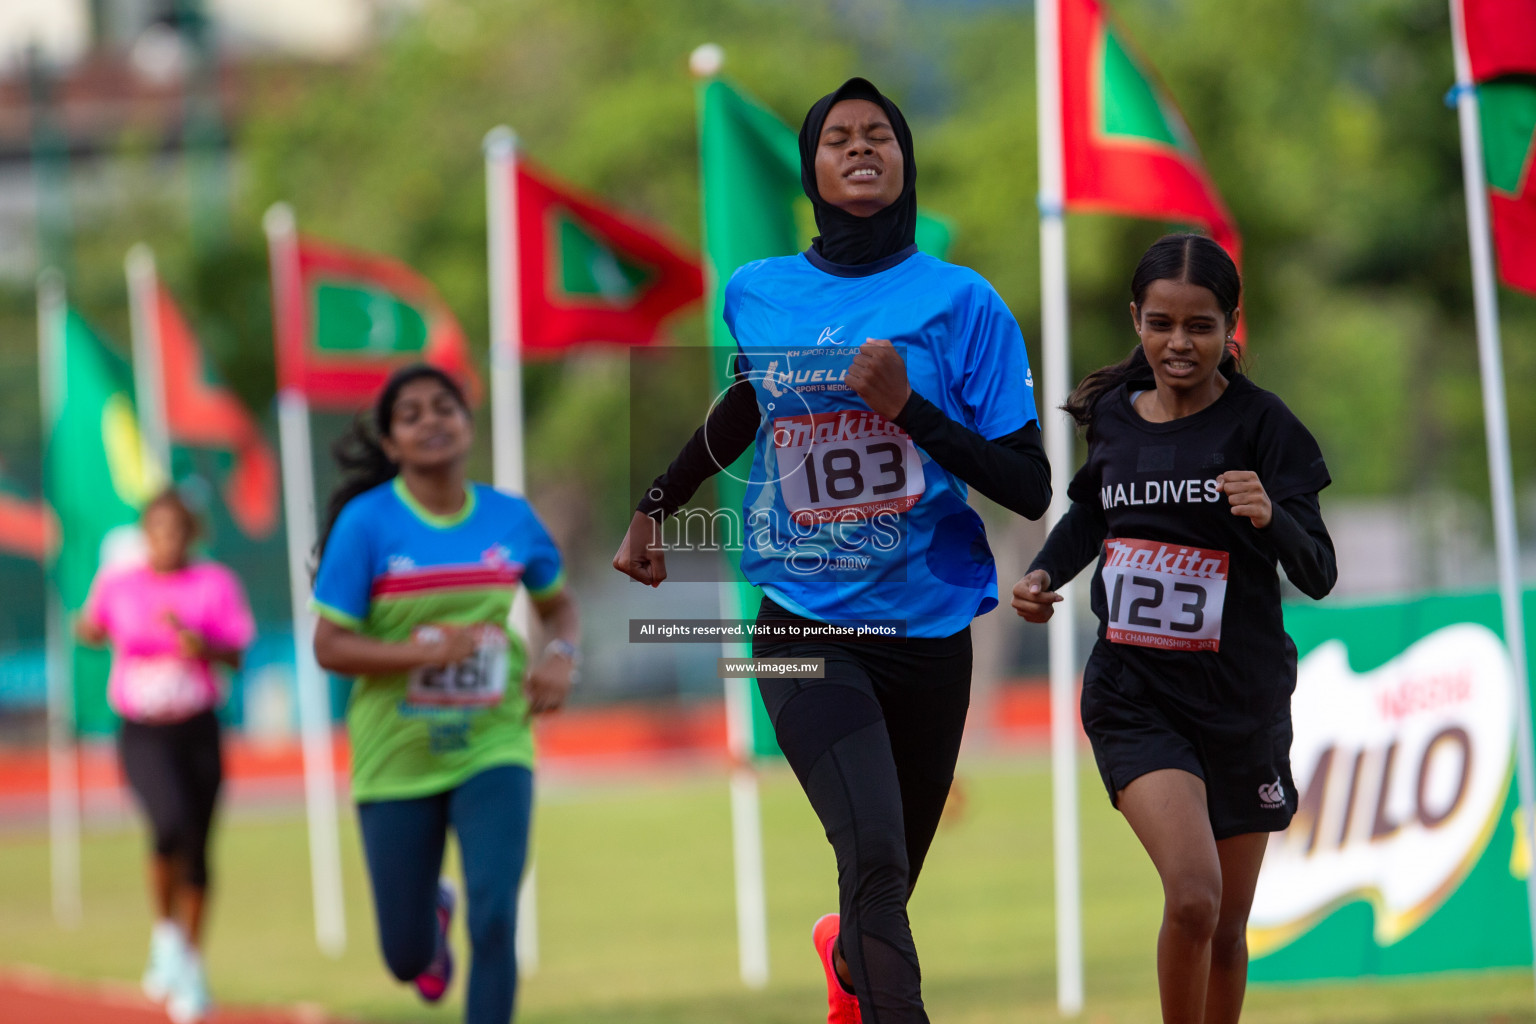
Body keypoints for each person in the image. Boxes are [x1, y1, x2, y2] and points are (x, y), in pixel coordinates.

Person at [613, 78, 1050, 1024]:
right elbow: (745, 405)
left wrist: (912, 411)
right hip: (802, 628)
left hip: (932, 631)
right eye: (838, 138)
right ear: (812, 165)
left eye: (879, 135)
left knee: (882, 892)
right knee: (877, 863)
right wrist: (657, 502)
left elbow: (1028, 485)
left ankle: (847, 965)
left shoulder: (962, 303)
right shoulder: (758, 292)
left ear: (905, 160)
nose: (860, 148)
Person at [1012, 234, 1336, 1024]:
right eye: (1160, 324)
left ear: (1233, 326)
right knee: (1193, 896)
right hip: (1135, 696)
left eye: (1199, 326)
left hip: (1241, 703)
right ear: (1136, 320)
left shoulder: (1265, 426)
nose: (1178, 343)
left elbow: (1319, 573)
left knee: (1226, 927)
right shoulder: (1117, 421)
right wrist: (1045, 573)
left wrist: (1270, 519)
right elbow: (1092, 512)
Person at [310, 364, 579, 1024]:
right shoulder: (366, 525)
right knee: (405, 956)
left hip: (495, 739)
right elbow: (329, 647)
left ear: (467, 424)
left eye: (444, 407)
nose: (431, 420)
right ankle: (433, 913)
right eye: (411, 415)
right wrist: (424, 653)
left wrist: (559, 658)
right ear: (392, 444)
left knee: (496, 916)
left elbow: (560, 607)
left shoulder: (510, 519)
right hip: (395, 755)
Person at [77, 488, 255, 1024]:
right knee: (168, 823)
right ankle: (165, 933)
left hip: (198, 728)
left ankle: (192, 965)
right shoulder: (120, 583)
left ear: (192, 536)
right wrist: (91, 623)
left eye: (179, 531)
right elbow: (88, 628)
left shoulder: (214, 584)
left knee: (199, 848)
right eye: (158, 530)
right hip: (144, 731)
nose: (168, 540)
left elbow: (237, 654)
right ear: (144, 535)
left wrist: (205, 646)